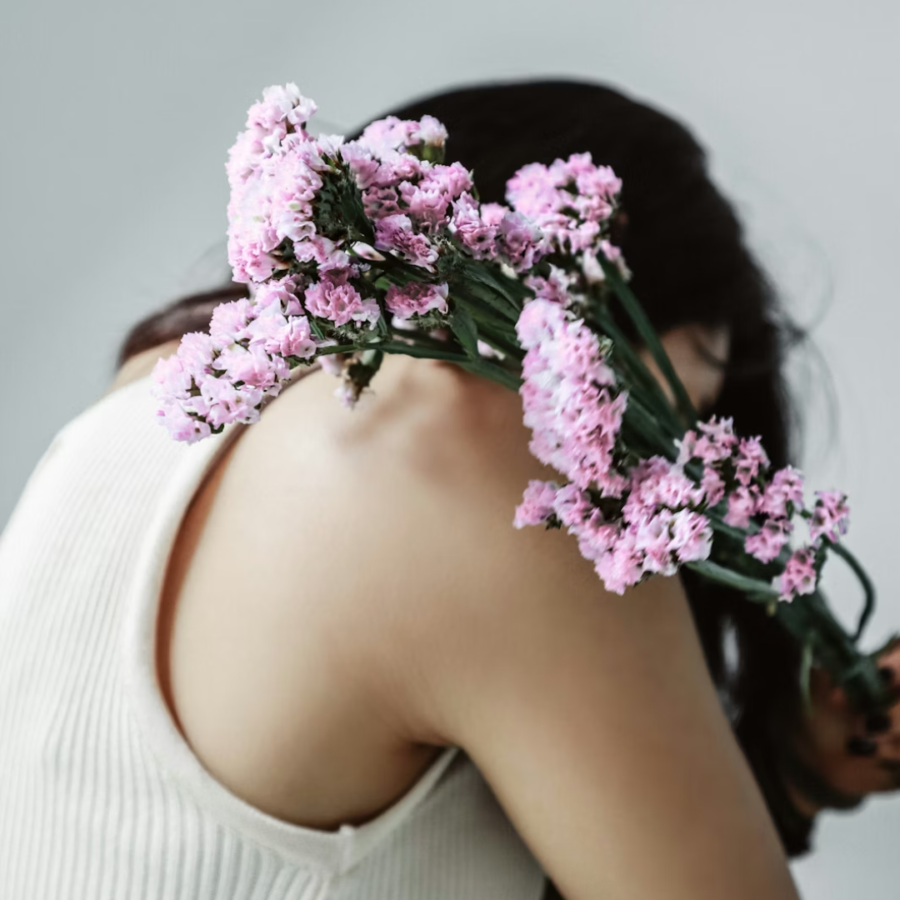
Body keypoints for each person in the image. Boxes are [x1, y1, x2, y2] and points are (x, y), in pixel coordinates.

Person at [1, 79, 898, 900]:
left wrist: (788, 780)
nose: (646, 486)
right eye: (657, 422)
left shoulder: (154, 389)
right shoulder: (484, 466)